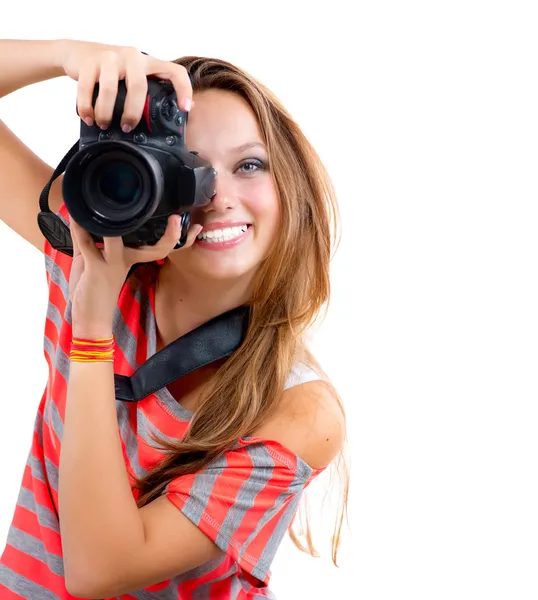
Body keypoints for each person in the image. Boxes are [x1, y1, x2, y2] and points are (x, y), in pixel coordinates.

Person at [0, 38, 349, 599]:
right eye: (189, 168)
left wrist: (90, 336)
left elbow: (99, 568)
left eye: (249, 165)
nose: (217, 196)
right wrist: (68, 55)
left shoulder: (298, 408)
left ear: (292, 186)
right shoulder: (93, 258)